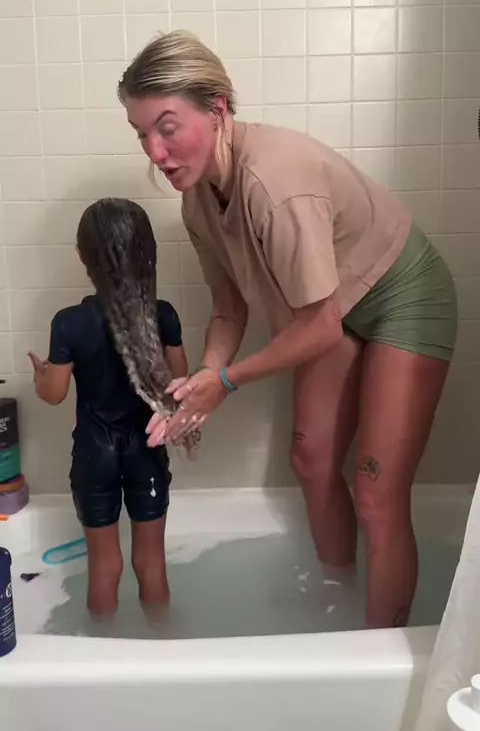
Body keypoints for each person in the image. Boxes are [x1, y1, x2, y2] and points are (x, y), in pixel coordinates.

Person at [119, 31, 457, 629]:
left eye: (167, 127)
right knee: (311, 459)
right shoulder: (198, 199)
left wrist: (227, 380)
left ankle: (377, 649)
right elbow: (229, 308)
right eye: (141, 133)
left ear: (217, 107)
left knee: (377, 490)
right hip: (333, 308)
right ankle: (337, 598)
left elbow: (319, 328)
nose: (156, 151)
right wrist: (202, 379)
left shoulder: (275, 183)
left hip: (401, 293)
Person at [28, 198, 189, 615]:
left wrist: (41, 376)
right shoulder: (162, 316)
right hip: (146, 450)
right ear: (147, 254)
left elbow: (53, 393)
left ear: (82, 255)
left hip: (93, 453)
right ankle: (160, 642)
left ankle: (101, 646)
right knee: (151, 562)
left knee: (103, 566)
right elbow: (179, 387)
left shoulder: (68, 323)